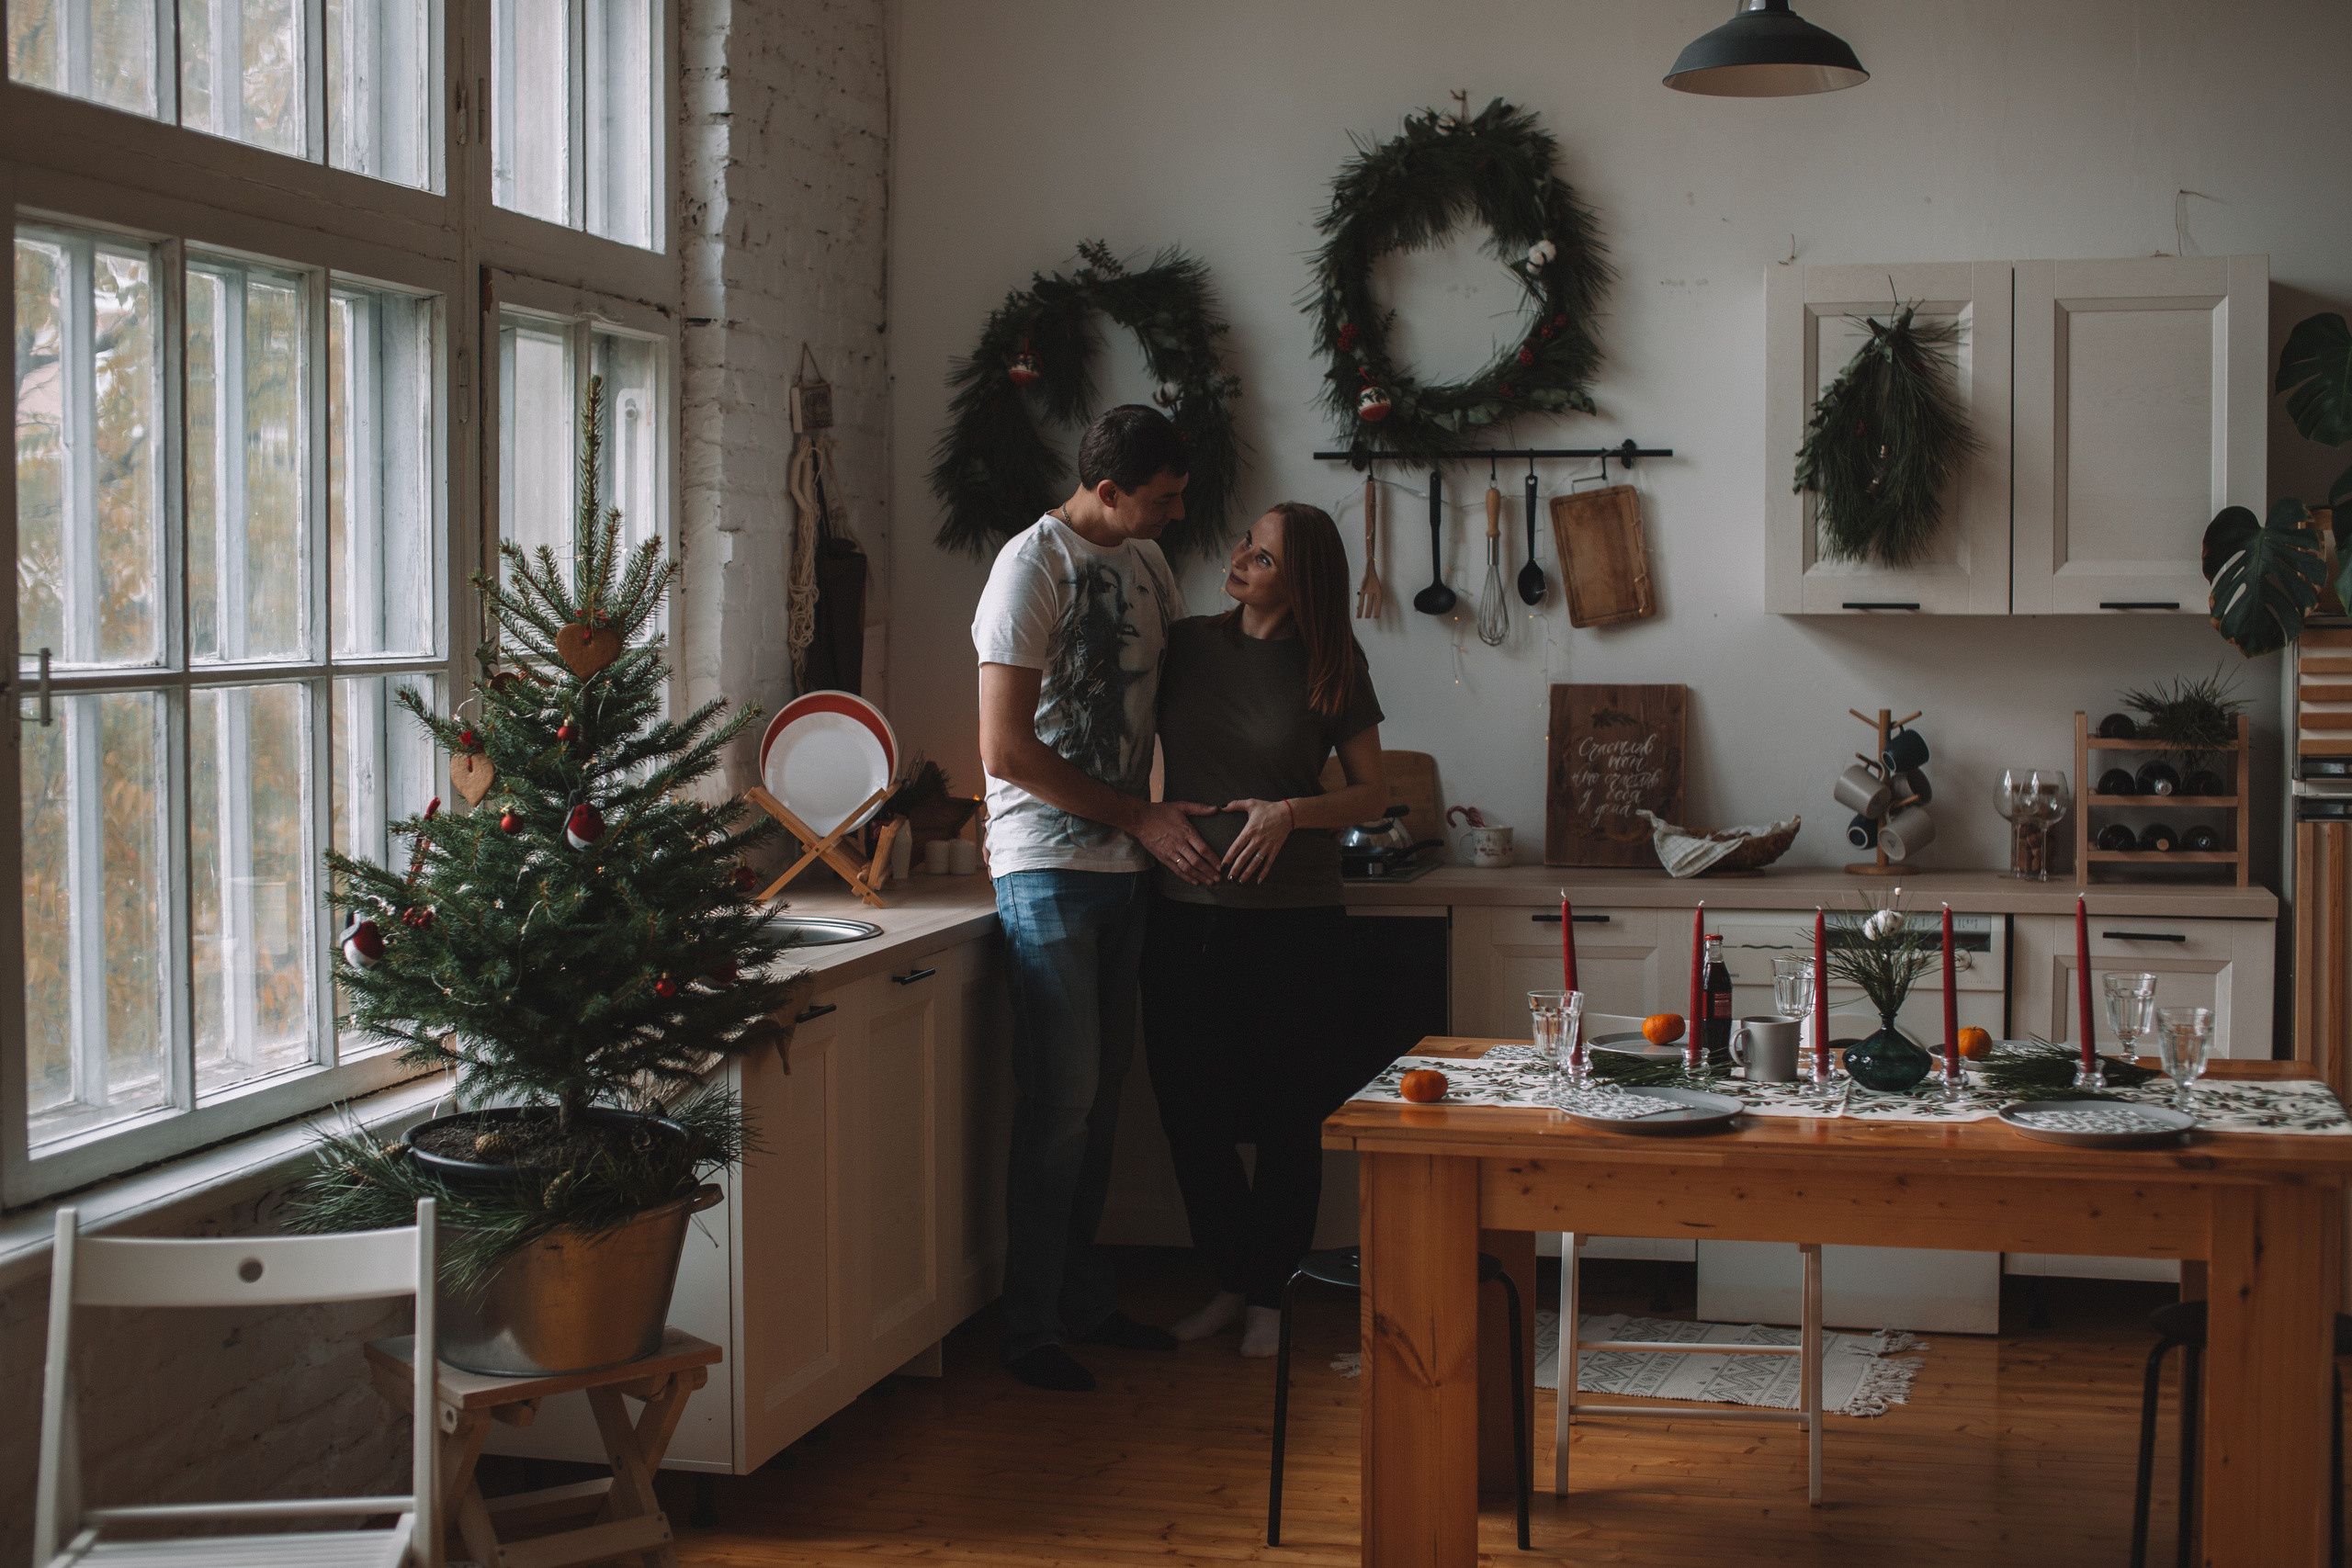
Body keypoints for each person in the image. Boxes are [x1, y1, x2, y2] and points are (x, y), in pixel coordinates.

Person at [972, 405, 1222, 1392]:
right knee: (1063, 1101)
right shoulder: (1029, 568)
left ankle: (1081, 1301)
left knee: (1103, 1100)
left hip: (1125, 864)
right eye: (1163, 497)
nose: (1178, 512)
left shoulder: (1148, 562)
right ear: (1108, 491)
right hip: (1044, 867)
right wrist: (1138, 815)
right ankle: (1030, 1328)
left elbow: (1178, 696)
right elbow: (1004, 748)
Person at [1140, 501, 1387, 1358]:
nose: (1241, 556)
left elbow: (1373, 793)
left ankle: (1270, 1296)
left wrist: (1290, 812)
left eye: (1265, 556)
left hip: (1297, 921)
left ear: (1302, 579)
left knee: (1290, 1116)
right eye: (1246, 540)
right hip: (1186, 915)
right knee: (1190, 1113)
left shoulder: (1333, 661)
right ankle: (1233, 1279)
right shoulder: (1186, 645)